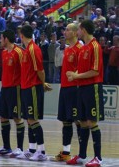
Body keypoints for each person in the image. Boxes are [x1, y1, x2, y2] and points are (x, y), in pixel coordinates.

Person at [66, 20, 104, 167]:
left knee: (92, 121)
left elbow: (95, 71)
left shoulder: (95, 46)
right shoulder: (83, 48)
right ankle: (82, 155)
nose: (78, 32)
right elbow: (82, 70)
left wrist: (76, 76)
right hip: (81, 88)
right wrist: (73, 74)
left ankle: (98, 157)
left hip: (92, 87)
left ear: (83, 30)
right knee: (82, 122)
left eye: (79, 30)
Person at [17, 24, 51, 161]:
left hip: (32, 88)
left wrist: (42, 83)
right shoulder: (27, 49)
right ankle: (31, 149)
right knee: (28, 119)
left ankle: (41, 151)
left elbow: (40, 70)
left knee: (33, 119)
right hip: (26, 87)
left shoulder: (33, 49)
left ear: (21, 35)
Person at [53, 23, 82, 162]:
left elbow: (83, 68)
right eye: (65, 29)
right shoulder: (68, 49)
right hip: (64, 88)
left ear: (76, 33)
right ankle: (66, 152)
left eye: (68, 29)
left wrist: (75, 75)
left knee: (78, 121)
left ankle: (82, 154)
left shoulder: (79, 48)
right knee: (66, 121)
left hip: (74, 89)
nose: (65, 31)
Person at [0, 29, 25, 157]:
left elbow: (24, 70)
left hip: (15, 88)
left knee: (17, 117)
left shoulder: (19, 52)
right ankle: (6, 147)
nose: (0, 40)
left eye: (1, 38)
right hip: (5, 88)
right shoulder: (3, 53)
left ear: (6, 39)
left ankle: (19, 148)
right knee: (3, 117)